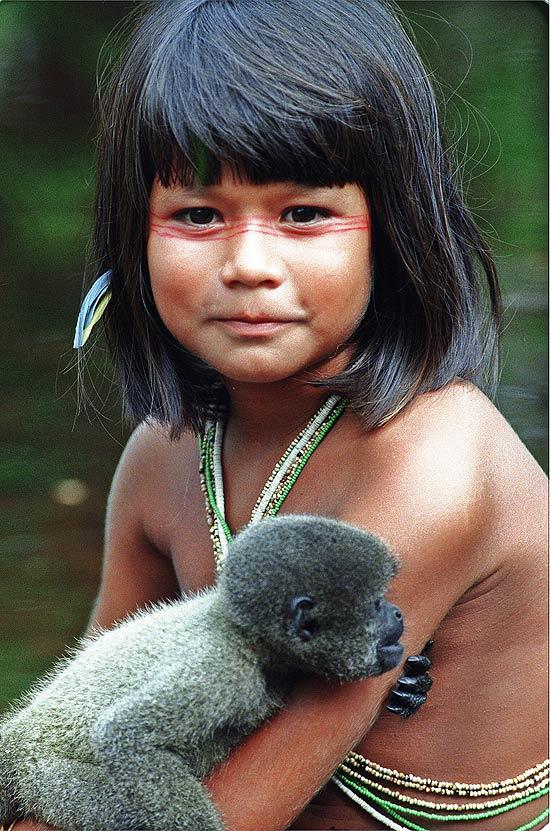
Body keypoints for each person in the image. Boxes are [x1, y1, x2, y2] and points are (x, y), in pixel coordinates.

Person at [11, 0, 548, 829]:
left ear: (394, 230)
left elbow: (230, 817)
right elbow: (85, 731)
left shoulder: (431, 464)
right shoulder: (165, 455)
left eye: (304, 214)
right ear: (132, 239)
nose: (249, 265)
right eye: (197, 215)